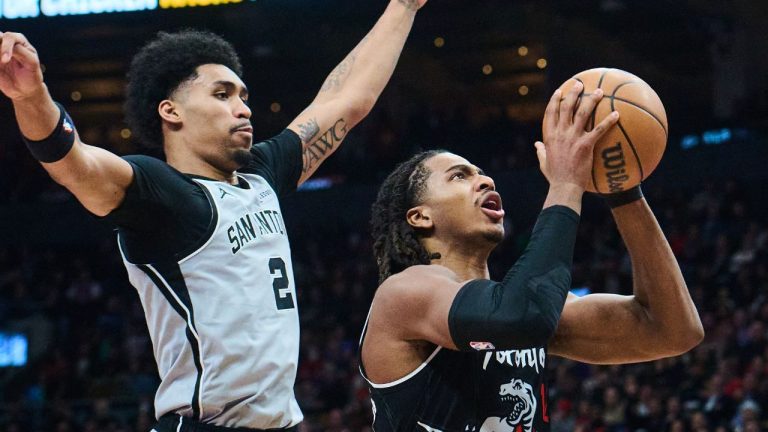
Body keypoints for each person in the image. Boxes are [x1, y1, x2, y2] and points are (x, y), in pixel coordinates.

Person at [0, 0, 426, 430]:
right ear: (171, 111)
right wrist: (32, 96)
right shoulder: (162, 195)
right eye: (222, 95)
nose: (243, 108)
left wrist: (403, 7)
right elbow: (73, 162)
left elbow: (348, 99)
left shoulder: (262, 173)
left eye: (243, 96)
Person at [360, 82, 705, 431]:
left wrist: (620, 187)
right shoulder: (403, 295)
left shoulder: (519, 307)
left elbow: (672, 331)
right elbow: (521, 316)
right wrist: (566, 184)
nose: (486, 181)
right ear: (420, 217)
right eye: (459, 176)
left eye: (482, 173)